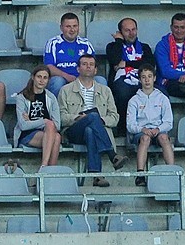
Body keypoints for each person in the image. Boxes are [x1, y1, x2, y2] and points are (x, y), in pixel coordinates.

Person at [58, 54, 127, 186]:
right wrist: (78, 117)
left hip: (95, 129)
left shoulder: (105, 91)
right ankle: (112, 155)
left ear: (95, 70)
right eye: (84, 64)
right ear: (78, 69)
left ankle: (96, 176)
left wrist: (100, 121)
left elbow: (114, 117)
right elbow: (61, 117)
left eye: (91, 64)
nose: (88, 67)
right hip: (74, 130)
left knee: (91, 129)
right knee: (93, 116)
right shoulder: (65, 90)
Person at [126, 63, 174, 185]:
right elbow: (130, 125)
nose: (147, 80)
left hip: (159, 131)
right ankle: (140, 175)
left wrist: (158, 129)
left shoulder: (163, 98)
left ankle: (172, 172)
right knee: (145, 139)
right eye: (143, 77)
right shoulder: (134, 100)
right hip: (141, 133)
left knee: (164, 138)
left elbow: (168, 122)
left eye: (149, 76)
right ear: (140, 79)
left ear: (154, 78)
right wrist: (142, 129)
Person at [106, 17, 155, 134]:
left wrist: (126, 64)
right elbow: (114, 60)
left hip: (143, 79)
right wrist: (119, 41)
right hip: (121, 80)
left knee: (161, 92)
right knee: (123, 93)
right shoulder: (113, 46)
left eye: (133, 29)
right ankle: (123, 129)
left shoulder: (144, 47)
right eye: (127, 30)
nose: (131, 33)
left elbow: (149, 64)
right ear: (120, 32)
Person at [13, 65, 61, 169]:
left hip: (47, 133)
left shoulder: (51, 97)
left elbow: (57, 125)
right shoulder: (22, 97)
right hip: (27, 135)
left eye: (45, 78)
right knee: (51, 128)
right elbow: (23, 126)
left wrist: (33, 122)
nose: (42, 80)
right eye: (39, 77)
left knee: (57, 136)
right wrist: (44, 121)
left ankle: (47, 169)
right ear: (33, 77)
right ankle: (46, 168)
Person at [44, 12, 94, 95]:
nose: (72, 30)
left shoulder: (86, 43)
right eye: (68, 26)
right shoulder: (53, 43)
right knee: (57, 82)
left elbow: (93, 65)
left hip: (82, 78)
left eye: (75, 26)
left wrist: (82, 78)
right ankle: (57, 104)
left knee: (101, 80)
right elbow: (49, 67)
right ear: (61, 28)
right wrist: (67, 76)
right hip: (61, 78)